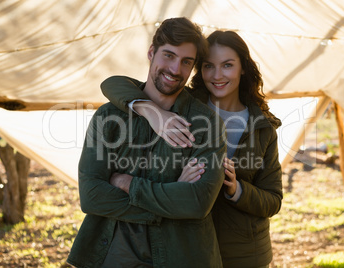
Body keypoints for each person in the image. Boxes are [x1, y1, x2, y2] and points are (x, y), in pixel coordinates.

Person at [101, 30, 283, 268]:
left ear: (243, 68)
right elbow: (112, 84)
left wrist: (237, 189)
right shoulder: (179, 106)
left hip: (244, 254)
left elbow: (273, 200)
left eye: (227, 65)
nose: (217, 75)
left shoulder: (263, 127)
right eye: (208, 66)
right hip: (190, 248)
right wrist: (152, 112)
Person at [67, 18, 227, 268]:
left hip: (182, 255)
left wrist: (125, 182)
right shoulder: (109, 117)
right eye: (168, 55)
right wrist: (172, 198)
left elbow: (196, 203)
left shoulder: (205, 124)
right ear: (151, 52)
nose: (175, 69)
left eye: (186, 62)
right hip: (114, 255)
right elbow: (91, 196)